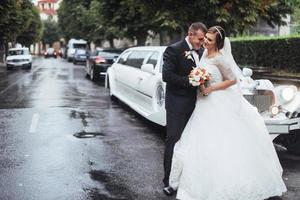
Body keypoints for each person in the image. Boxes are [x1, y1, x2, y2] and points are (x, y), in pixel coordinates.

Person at [168, 26, 287, 200]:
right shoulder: (204, 54)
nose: (205, 42)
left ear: (218, 43)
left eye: (209, 40)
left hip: (216, 102)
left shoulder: (220, 58)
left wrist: (211, 88)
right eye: (206, 38)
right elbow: (202, 76)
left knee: (220, 143)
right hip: (202, 104)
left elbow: (232, 80)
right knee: (200, 143)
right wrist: (199, 82)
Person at [162, 22, 207, 195]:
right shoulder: (173, 49)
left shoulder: (202, 51)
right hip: (177, 105)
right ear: (190, 34)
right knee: (174, 141)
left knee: (193, 143)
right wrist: (190, 81)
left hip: (198, 105)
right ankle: (168, 181)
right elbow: (167, 76)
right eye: (200, 39)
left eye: (203, 40)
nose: (201, 43)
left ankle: (188, 179)